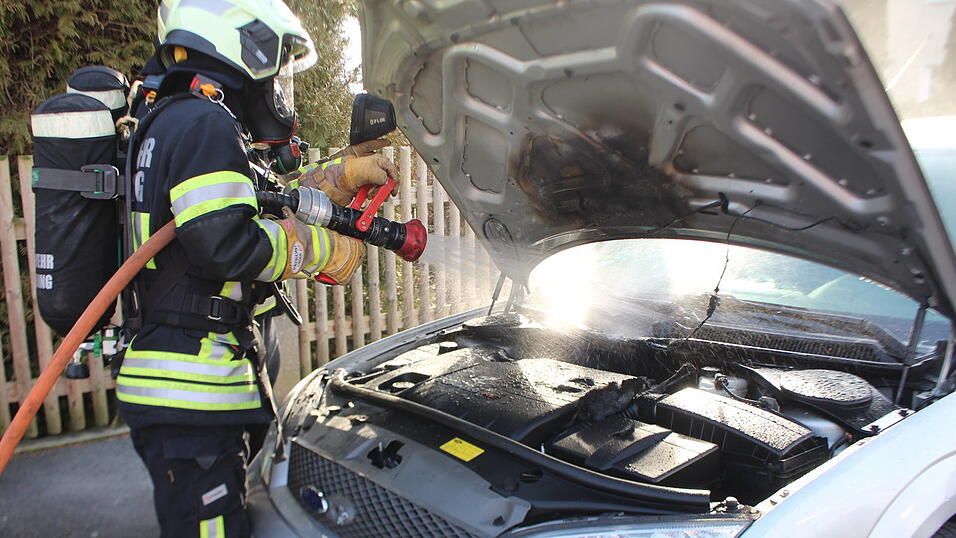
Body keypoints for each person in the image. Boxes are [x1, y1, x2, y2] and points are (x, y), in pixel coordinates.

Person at [116, 1, 399, 536]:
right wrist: (315, 251)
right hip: (191, 391)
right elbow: (223, 242)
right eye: (279, 71)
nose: (280, 89)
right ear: (239, 48)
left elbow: (262, 201)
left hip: (187, 386)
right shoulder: (202, 123)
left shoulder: (178, 120)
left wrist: (338, 177)